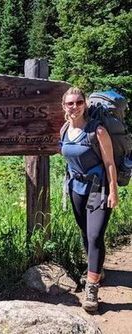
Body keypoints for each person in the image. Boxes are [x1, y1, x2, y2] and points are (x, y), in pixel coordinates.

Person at [60, 87, 119, 312]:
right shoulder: (65, 129)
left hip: (98, 188)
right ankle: (97, 269)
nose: (74, 107)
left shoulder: (98, 131)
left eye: (78, 102)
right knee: (85, 232)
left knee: (95, 236)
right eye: (70, 103)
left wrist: (113, 191)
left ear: (85, 104)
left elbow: (110, 162)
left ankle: (91, 287)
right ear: (63, 106)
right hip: (76, 187)